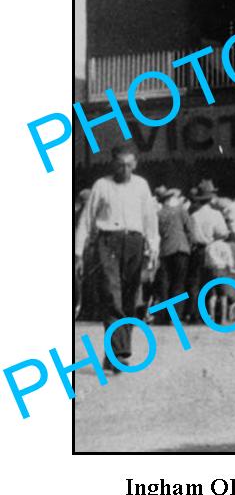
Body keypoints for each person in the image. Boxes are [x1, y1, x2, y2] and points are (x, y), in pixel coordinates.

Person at [74, 146, 159, 372]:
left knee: (130, 298)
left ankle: (113, 354)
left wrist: (154, 248)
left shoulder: (141, 185)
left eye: (129, 165)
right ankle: (120, 353)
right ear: (113, 164)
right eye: (121, 164)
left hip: (135, 242)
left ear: (136, 164)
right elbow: (87, 218)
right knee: (112, 295)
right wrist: (78, 252)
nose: (125, 169)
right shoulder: (102, 185)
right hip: (108, 242)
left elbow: (150, 219)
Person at [185, 180, 230, 324]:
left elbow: (191, 235)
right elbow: (223, 233)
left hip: (198, 250)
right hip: (213, 248)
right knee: (215, 283)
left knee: (197, 282)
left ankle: (198, 314)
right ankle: (218, 316)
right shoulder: (216, 214)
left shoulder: (193, 216)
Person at [152, 187, 190, 324]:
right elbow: (189, 230)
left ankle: (162, 315)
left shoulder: (158, 214)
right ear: (172, 199)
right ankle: (175, 317)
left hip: (165, 250)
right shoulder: (181, 211)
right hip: (181, 249)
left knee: (165, 284)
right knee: (179, 283)